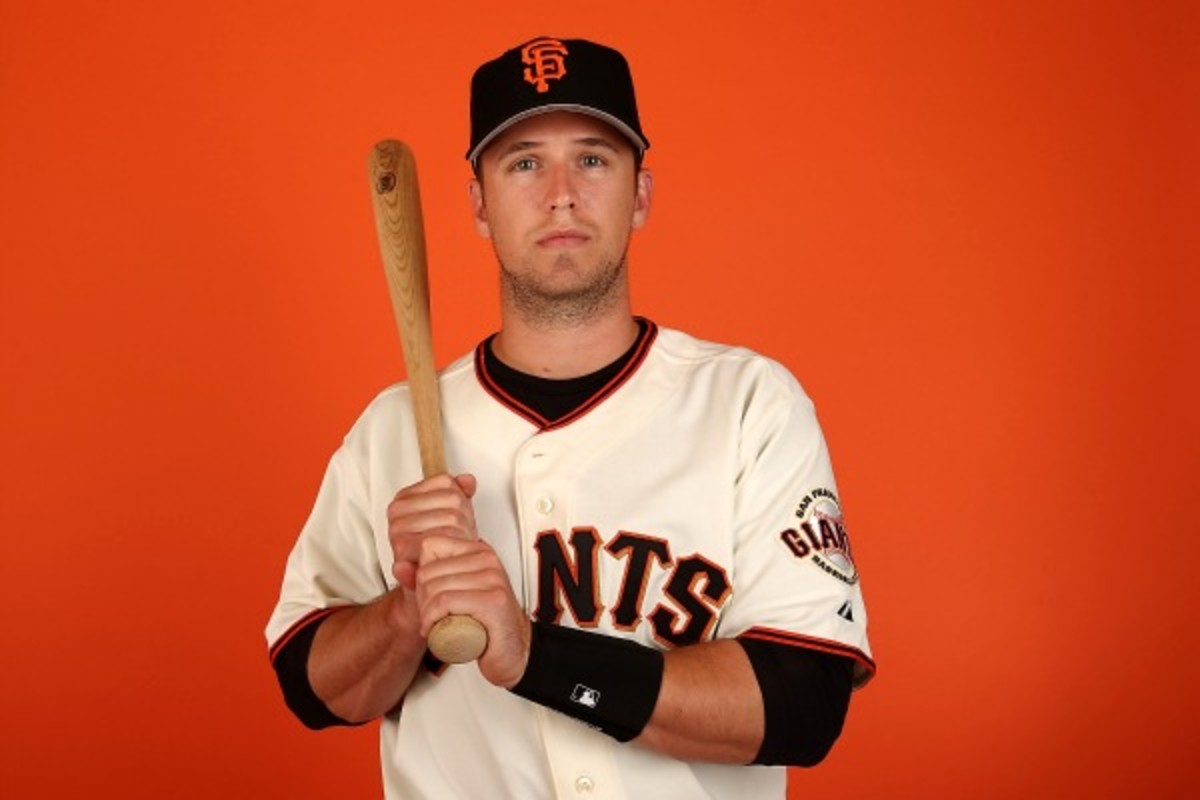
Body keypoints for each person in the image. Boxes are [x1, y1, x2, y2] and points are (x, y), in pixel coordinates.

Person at [266, 35, 874, 799]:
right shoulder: (389, 431)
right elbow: (313, 690)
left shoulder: (750, 406)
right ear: (480, 205)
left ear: (640, 194)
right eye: (524, 162)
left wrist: (534, 656)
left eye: (592, 159)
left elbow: (802, 705)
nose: (561, 193)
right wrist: (405, 612)